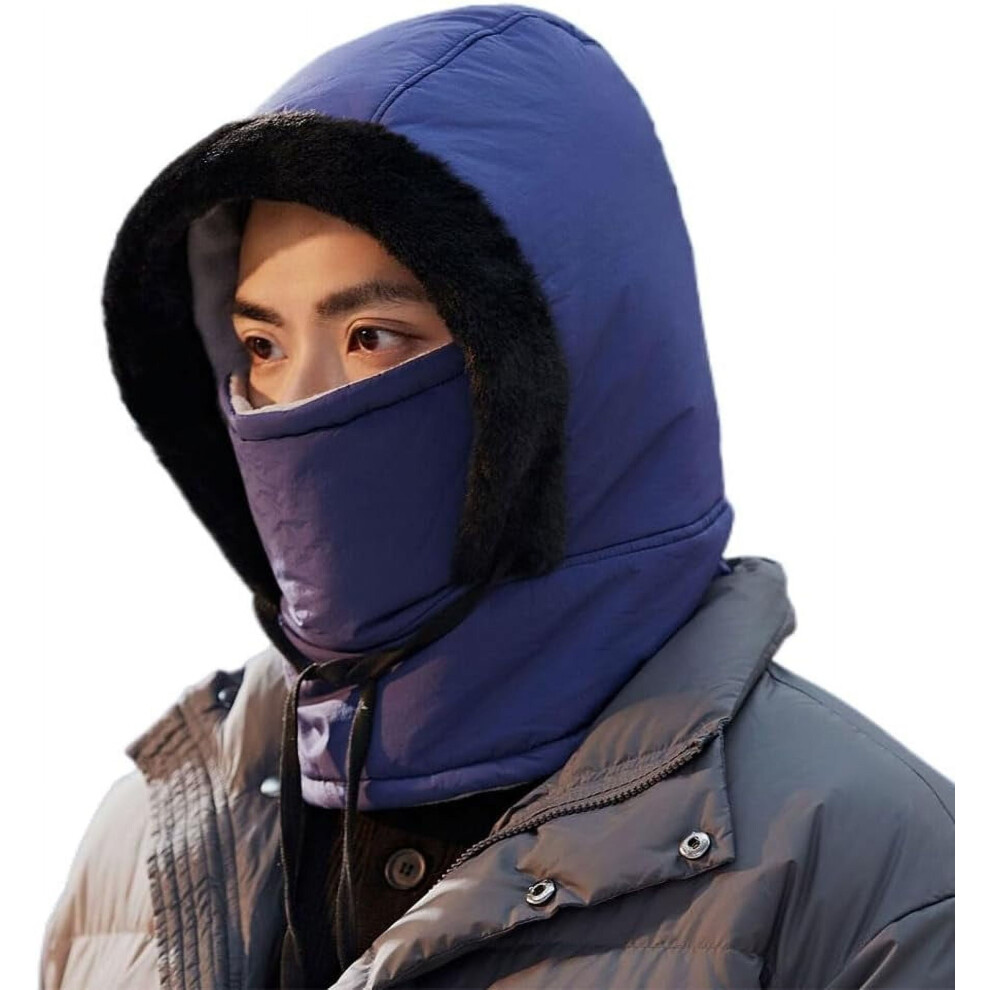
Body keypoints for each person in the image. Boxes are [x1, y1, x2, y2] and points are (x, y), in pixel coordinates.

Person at [40, 4, 954, 989]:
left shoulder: (868, 866)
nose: (294, 406)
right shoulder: (147, 850)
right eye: (261, 345)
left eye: (371, 337)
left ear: (573, 368)